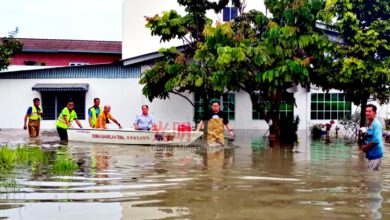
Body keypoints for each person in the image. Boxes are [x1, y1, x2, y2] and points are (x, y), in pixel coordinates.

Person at [359, 104, 383, 170]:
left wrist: (365, 147)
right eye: (366, 111)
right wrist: (363, 135)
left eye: (369, 111)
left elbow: (376, 140)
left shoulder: (377, 124)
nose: (367, 113)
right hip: (371, 153)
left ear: (375, 113)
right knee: (374, 173)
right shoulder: (369, 123)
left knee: (370, 175)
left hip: (376, 154)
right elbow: (368, 137)